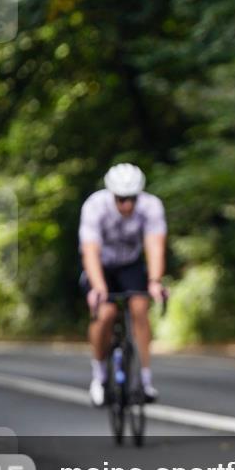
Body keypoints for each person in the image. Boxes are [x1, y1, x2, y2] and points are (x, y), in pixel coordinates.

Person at [78, 163, 167, 406]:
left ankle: (145, 381)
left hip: (130, 264)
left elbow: (154, 246)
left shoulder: (151, 206)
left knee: (139, 307)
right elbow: (90, 251)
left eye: (131, 199)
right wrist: (98, 287)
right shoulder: (95, 206)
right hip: (101, 266)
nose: (126, 205)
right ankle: (99, 376)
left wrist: (155, 282)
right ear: (112, 195)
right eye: (121, 199)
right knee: (105, 313)